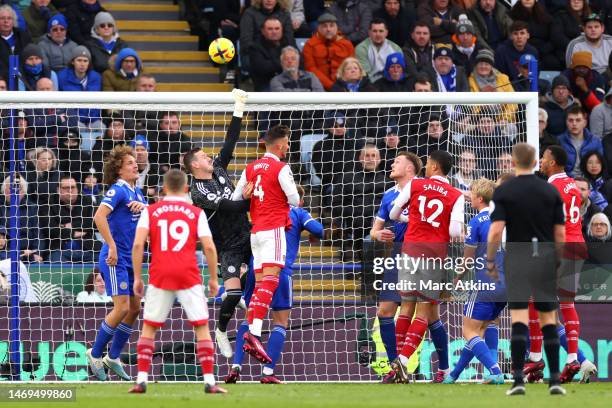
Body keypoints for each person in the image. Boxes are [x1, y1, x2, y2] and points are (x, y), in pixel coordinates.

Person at [128, 169, 224, 393]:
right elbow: (209, 246)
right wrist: (212, 278)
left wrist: (136, 277)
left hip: (160, 274)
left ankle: (141, 379)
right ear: (186, 188)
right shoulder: (195, 212)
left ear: (163, 188)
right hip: (188, 275)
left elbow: (137, 245)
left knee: (149, 327)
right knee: (201, 327)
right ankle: (209, 381)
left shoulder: (150, 211)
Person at [486, 143, 566, 396]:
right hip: (544, 257)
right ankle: (554, 381)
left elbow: (496, 230)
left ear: (514, 162)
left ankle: (518, 380)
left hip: (517, 258)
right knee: (548, 320)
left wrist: (490, 260)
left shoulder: (505, 191)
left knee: (519, 319)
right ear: (535, 162)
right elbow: (560, 233)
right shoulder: (550, 191)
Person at [227, 185, 324, 383]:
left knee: (250, 317)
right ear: (298, 199)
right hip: (279, 270)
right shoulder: (297, 212)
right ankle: (268, 373)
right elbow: (319, 230)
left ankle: (236, 366)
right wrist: (311, 232)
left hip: (256, 269)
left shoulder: (264, 208)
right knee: (280, 322)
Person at [183, 90, 252, 358]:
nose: (209, 156)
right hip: (227, 245)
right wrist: (253, 199)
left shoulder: (220, 168)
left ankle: (244, 285)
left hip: (248, 234)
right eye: (202, 156)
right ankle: (221, 331)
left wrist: (238, 107)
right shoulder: (199, 191)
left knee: (270, 269)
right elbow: (231, 206)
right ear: (194, 166)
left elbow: (230, 140)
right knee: (233, 295)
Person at [387, 150, 464, 383]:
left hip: (409, 251)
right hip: (433, 257)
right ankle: (402, 360)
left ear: (434, 167)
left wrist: (412, 220)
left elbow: (393, 213)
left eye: (429, 163)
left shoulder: (415, 185)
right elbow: (453, 231)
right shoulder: (456, 194)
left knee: (406, 309)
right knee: (424, 312)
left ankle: (397, 366)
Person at [369, 152, 440, 383]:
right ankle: (395, 366)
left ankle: (445, 369)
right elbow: (374, 230)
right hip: (396, 257)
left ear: (410, 168)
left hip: (423, 256)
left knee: (429, 317)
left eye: (397, 161)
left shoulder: (425, 189)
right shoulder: (389, 195)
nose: (391, 163)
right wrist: (379, 234)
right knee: (384, 312)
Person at [231, 124, 299, 364]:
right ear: (280, 145)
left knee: (261, 285)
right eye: (288, 143)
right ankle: (254, 334)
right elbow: (295, 199)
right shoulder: (281, 167)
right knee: (271, 281)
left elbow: (234, 199)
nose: (288, 147)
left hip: (255, 232)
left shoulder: (250, 168)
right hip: (273, 229)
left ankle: (254, 331)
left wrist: (252, 197)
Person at [87, 145, 148, 381]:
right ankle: (94, 354)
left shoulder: (138, 193)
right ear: (119, 169)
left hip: (132, 259)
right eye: (130, 162)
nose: (135, 164)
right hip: (115, 258)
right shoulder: (118, 190)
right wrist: (111, 245)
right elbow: (98, 216)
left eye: (135, 161)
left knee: (134, 308)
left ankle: (112, 357)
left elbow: (147, 224)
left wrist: (145, 209)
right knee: (122, 307)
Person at [443, 178, 506, 384]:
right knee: (480, 330)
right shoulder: (505, 220)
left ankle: (495, 371)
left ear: (479, 198)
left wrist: (455, 279)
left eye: (471, 193)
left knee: (469, 331)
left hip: (485, 284)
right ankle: (454, 375)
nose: (468, 196)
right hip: (506, 285)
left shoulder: (476, 222)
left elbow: (467, 260)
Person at [44, 174, 99, 263]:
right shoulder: (49, 203)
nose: (70, 190)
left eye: (73, 187)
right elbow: (51, 230)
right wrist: (75, 233)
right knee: (56, 262)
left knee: (105, 259)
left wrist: (70, 225)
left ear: (77, 189)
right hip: (60, 249)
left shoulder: (87, 200)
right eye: (66, 188)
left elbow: (95, 223)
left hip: (88, 247)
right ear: (58, 190)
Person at [303, 12, 355, 90]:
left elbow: (352, 66)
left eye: (331, 26)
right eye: (324, 26)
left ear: (337, 27)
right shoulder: (309, 45)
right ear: (319, 28)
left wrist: (344, 84)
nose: (328, 29)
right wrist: (331, 85)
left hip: (344, 85)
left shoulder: (346, 44)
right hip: (319, 87)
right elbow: (310, 69)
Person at [509, 0, 557, 70]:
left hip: (544, 51)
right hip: (522, 50)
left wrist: (544, 50)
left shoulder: (544, 16)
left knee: (553, 63)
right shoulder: (512, 16)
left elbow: (553, 38)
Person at [557, 105, 603, 177]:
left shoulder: (595, 141)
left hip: (590, 180)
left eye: (578, 120)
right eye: (571, 120)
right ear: (566, 122)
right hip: (567, 180)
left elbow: (601, 165)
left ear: (584, 123)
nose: (574, 124)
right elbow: (556, 168)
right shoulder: (559, 141)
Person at [249, 16, 293, 91]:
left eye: (277, 28)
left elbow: (300, 62)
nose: (274, 32)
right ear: (263, 31)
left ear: (282, 30)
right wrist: (286, 61)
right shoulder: (255, 46)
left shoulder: (288, 42)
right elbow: (262, 68)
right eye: (270, 29)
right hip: (266, 83)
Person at [355, 18, 402, 82]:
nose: (378, 34)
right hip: (369, 85)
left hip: (391, 83)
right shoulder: (361, 48)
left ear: (386, 33)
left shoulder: (396, 48)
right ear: (369, 32)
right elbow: (365, 74)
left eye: (381, 31)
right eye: (374, 31)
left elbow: (398, 72)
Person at [551, 0, 592, 69]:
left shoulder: (591, 16)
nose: (576, 1)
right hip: (566, 52)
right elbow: (557, 37)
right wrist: (575, 47)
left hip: (590, 51)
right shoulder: (560, 16)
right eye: (573, 0)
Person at [0, 4, 32, 80]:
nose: (6, 21)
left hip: (22, 75)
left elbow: (30, 56)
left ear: (13, 21)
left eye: (9, 18)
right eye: (2, 18)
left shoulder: (23, 36)